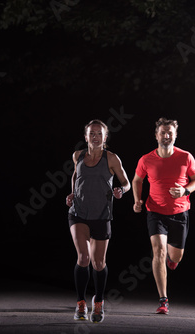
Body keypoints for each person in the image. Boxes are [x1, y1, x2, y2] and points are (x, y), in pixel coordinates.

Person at [132, 117, 195, 315]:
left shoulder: (186, 157)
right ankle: (163, 300)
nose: (166, 135)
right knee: (159, 252)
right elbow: (137, 179)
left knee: (174, 256)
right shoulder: (146, 159)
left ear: (175, 135)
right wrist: (137, 200)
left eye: (170, 132)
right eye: (163, 132)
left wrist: (185, 191)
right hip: (155, 212)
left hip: (180, 213)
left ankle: (174, 260)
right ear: (156, 135)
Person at [66, 119, 130, 323]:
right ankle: (80, 304)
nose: (95, 137)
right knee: (83, 259)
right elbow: (75, 176)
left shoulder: (111, 158)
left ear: (105, 137)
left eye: (99, 134)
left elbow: (126, 182)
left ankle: (99, 301)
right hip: (78, 214)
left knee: (99, 263)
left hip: (102, 216)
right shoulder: (78, 156)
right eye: (91, 133)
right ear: (86, 137)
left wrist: (121, 190)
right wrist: (72, 193)